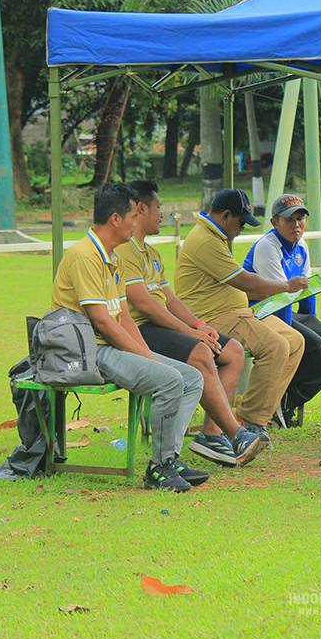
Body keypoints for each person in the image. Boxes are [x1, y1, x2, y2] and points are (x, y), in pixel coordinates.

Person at [51, 182, 207, 492]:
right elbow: (101, 321)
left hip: (109, 346)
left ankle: (169, 458)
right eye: (132, 217)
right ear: (115, 219)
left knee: (191, 377)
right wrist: (145, 357)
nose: (136, 223)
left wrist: (145, 353)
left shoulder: (114, 257)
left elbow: (123, 316)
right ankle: (159, 468)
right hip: (88, 350)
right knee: (169, 380)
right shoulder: (85, 256)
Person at [116, 180, 267, 468]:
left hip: (161, 326)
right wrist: (188, 332)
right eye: (158, 207)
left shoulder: (151, 253)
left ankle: (212, 434)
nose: (162, 214)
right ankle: (237, 434)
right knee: (200, 352)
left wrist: (198, 325)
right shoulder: (125, 251)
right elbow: (144, 304)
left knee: (233, 351)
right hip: (140, 329)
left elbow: (170, 299)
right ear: (141, 209)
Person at [174, 189, 306, 445]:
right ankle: (251, 421)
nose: (242, 229)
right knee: (276, 346)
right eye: (241, 222)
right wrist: (286, 286)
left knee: (295, 341)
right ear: (226, 216)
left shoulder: (214, 236)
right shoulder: (206, 240)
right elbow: (246, 282)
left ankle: (249, 414)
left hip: (238, 312)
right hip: (214, 316)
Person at [242, 194, 321, 426]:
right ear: (274, 222)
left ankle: (287, 400)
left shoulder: (301, 245)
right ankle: (276, 398)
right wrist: (295, 333)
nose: (296, 224)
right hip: (261, 311)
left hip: (284, 308)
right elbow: (281, 298)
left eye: (300, 219)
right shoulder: (268, 247)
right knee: (313, 343)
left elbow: (306, 290)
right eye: (289, 219)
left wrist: (312, 321)